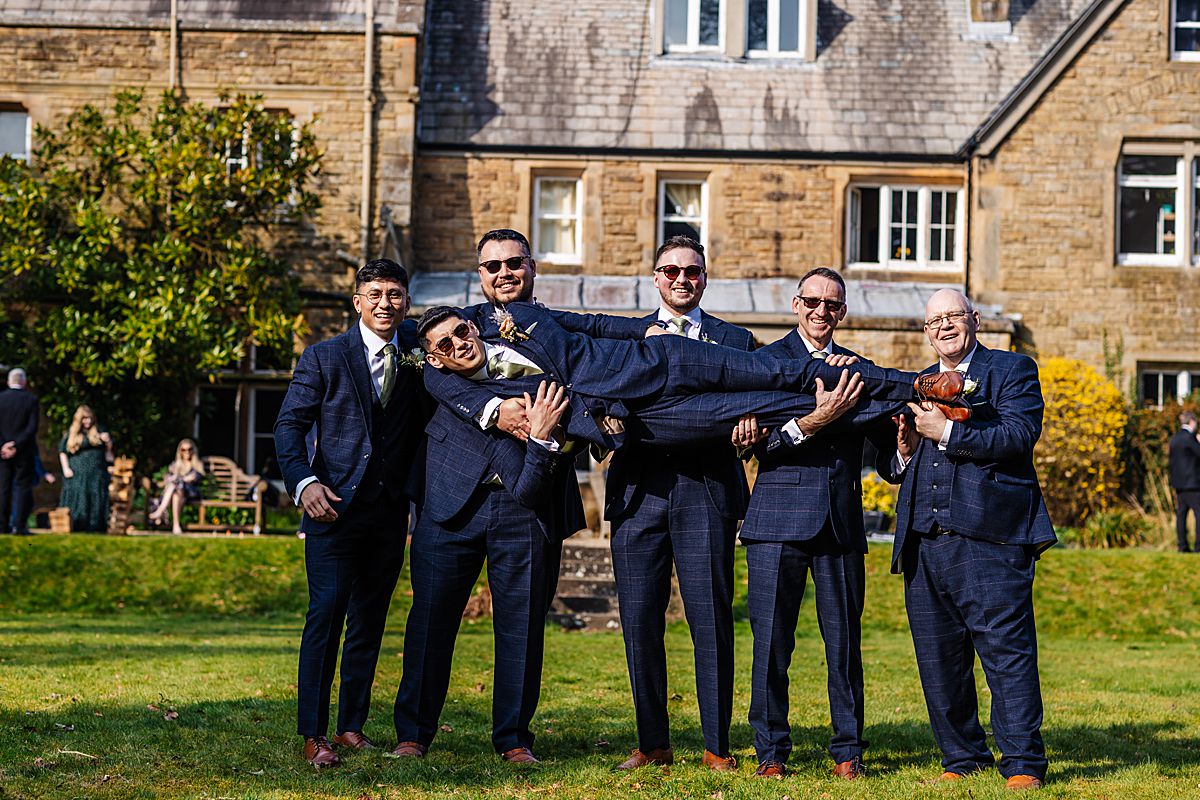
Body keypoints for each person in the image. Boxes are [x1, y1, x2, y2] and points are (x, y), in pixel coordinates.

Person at [881, 289, 1056, 791]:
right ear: (925, 331)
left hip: (992, 539)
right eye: (934, 320)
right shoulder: (917, 385)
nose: (944, 326)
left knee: (1006, 652)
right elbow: (891, 468)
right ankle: (962, 757)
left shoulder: (1012, 371)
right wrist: (904, 450)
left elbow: (1018, 436)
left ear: (974, 320)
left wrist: (947, 433)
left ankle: (1022, 762)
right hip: (923, 540)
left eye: (953, 316)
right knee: (939, 657)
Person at [417, 301, 962, 454]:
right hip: (643, 417)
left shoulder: (508, 317)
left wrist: (648, 333)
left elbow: (600, 322)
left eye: (461, 332)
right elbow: (433, 380)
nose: (460, 343)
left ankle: (914, 385)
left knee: (784, 372)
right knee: (771, 407)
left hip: (667, 361)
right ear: (435, 356)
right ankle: (896, 408)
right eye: (446, 346)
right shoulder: (456, 381)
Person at [738, 268, 897, 780]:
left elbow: (889, 451)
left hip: (841, 524)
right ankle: (770, 752)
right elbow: (759, 445)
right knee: (770, 645)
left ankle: (848, 751)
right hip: (776, 521)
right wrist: (814, 421)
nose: (821, 311)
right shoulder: (762, 364)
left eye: (832, 305)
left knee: (845, 645)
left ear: (842, 313)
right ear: (795, 303)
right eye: (812, 301)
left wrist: (904, 453)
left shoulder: (860, 370)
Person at [604, 236, 753, 772]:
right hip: (638, 491)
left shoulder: (736, 339)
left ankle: (717, 745)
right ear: (655, 278)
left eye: (692, 271)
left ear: (705, 277)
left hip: (706, 489)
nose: (681, 279)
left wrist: (748, 424)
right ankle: (652, 743)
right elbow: (604, 395)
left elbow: (750, 401)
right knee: (640, 619)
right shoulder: (627, 337)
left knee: (710, 617)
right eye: (670, 271)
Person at [274, 259, 429, 768]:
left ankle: (350, 727)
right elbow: (289, 428)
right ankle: (313, 734)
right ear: (357, 302)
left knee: (369, 622)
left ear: (406, 301)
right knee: (326, 617)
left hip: (388, 515)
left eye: (395, 294)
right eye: (376, 294)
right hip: (332, 510)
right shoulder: (323, 357)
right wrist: (304, 483)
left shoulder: (417, 352)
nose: (386, 303)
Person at [391, 369, 583, 764]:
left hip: (528, 502)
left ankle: (514, 738)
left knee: (523, 626)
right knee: (429, 622)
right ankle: (412, 735)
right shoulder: (457, 334)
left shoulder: (555, 338)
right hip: (449, 494)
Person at [58, 405, 115, 532]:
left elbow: (109, 454)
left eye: (90, 418)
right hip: (77, 473)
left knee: (96, 498)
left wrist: (108, 443)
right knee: (80, 498)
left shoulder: (100, 431)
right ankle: (77, 525)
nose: (88, 421)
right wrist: (66, 469)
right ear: (79, 420)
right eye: (84, 419)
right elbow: (63, 452)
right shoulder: (71, 434)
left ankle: (95, 526)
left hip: (97, 472)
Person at [0, 368, 40, 535]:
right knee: (22, 487)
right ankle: (19, 525)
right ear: (23, 382)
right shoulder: (31, 400)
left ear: (9, 382)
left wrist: (3, 445)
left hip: (2, 452)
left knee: (3, 488)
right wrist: (16, 444)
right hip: (23, 451)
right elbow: (31, 428)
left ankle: (1, 526)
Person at [147, 438, 203, 535]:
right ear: (180, 451)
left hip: (191, 493)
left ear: (193, 450)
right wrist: (178, 479)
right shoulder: (175, 465)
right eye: (183, 450)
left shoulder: (197, 465)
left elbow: (195, 478)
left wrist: (178, 478)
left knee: (176, 484)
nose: (187, 452)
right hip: (178, 493)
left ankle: (160, 510)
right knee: (176, 493)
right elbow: (168, 479)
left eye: (189, 449)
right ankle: (176, 526)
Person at [1168, 410, 1200, 553]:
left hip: (1179, 484)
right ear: (1192, 422)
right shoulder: (1190, 438)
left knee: (1181, 515)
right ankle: (1198, 546)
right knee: (1198, 514)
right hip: (1193, 484)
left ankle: (1182, 546)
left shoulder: (1175, 438)